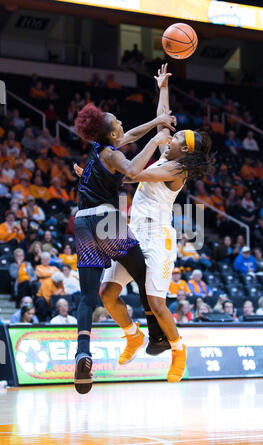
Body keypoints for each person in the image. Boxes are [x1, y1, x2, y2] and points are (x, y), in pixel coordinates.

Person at [77, 64, 213, 390]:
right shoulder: (171, 154)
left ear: (184, 150)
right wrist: (163, 87)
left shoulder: (176, 168)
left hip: (158, 237)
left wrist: (155, 138)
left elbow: (134, 174)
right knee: (108, 294)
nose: (171, 136)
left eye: (176, 137)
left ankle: (178, 350)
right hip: (133, 230)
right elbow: (164, 119)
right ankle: (133, 335)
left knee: (156, 303)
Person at [71, 81, 178, 393]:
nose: (120, 122)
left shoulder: (97, 149)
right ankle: (155, 335)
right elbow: (132, 169)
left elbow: (129, 136)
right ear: (111, 133)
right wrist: (158, 136)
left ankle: (83, 351)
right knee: (144, 271)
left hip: (83, 223)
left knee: (89, 297)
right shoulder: (112, 155)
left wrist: (157, 122)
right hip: (106, 219)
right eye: (116, 120)